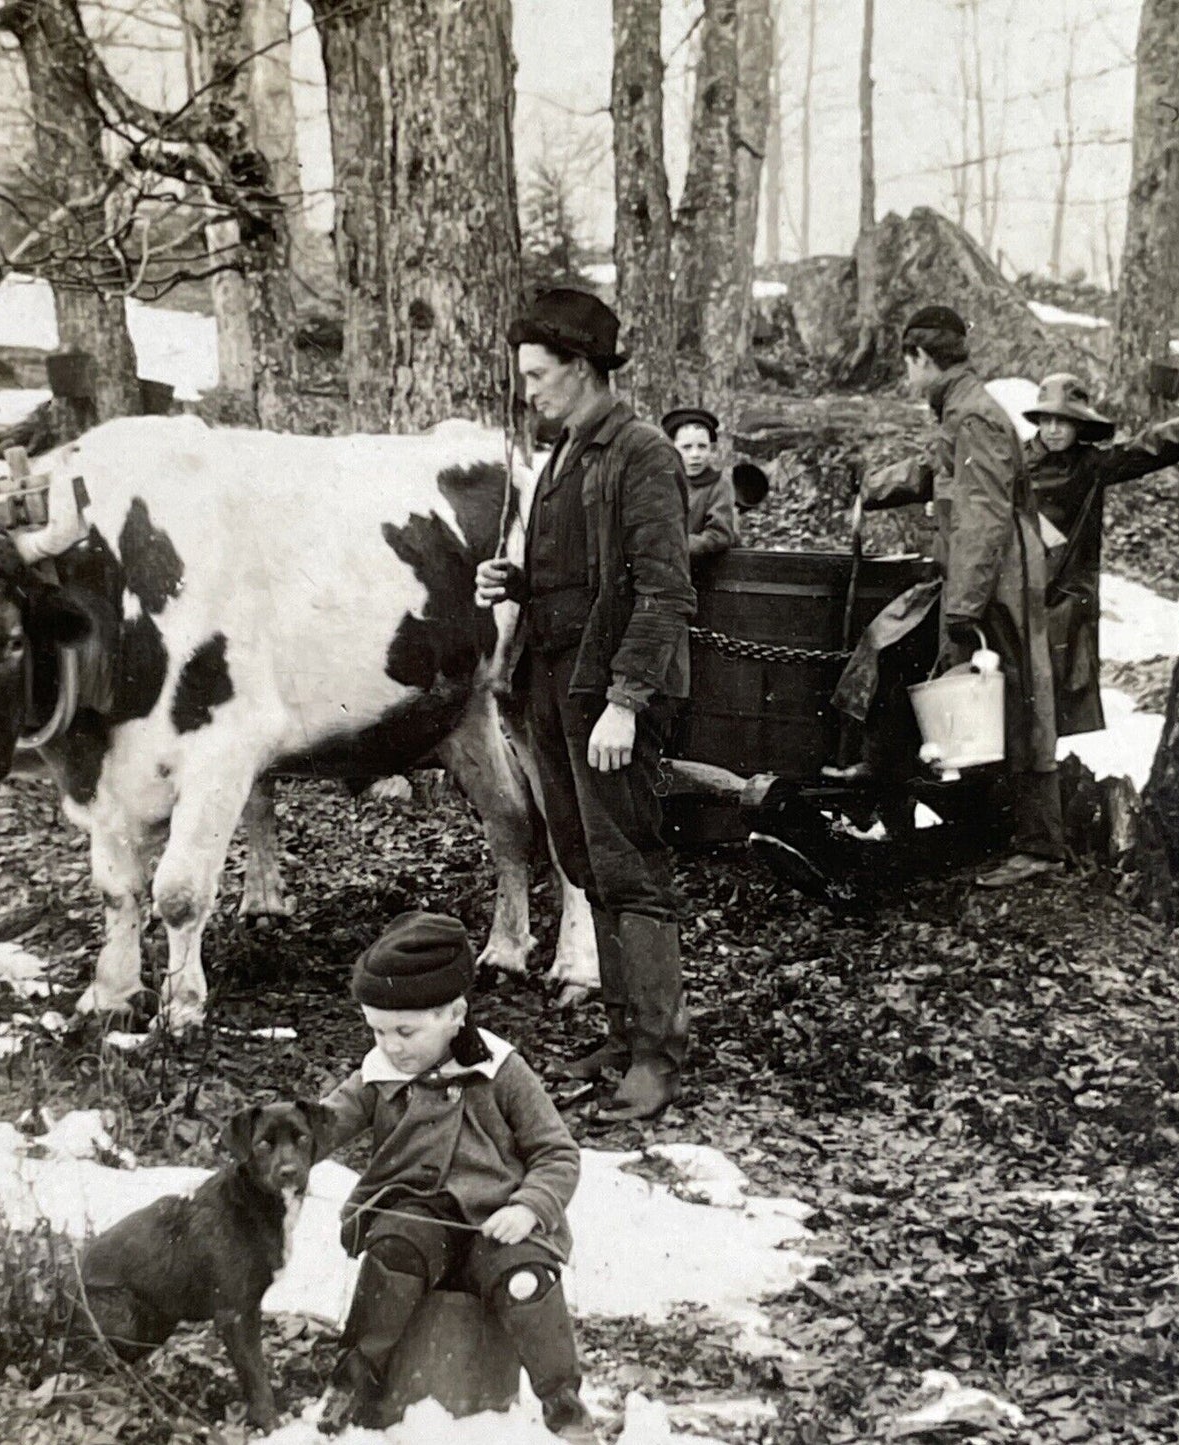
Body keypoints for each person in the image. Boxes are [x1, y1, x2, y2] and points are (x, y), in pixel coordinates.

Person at [476, 287, 696, 1122]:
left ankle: (657, 1053)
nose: (528, 390)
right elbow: (582, 577)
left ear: (582, 368)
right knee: (581, 858)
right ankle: (621, 1024)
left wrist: (627, 702)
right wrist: (517, 583)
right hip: (554, 686)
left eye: (539, 375)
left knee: (630, 863)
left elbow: (663, 592)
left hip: (606, 698)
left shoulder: (641, 454)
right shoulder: (566, 454)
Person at [310, 911, 595, 1442]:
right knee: (393, 1249)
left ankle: (563, 1402)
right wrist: (278, 1150)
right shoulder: (380, 1073)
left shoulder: (501, 1071)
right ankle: (354, 1382)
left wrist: (529, 1206)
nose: (391, 1045)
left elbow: (557, 1152)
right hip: (417, 1217)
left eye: (406, 1031)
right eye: (377, 1030)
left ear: (456, 1014)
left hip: (499, 1224)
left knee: (528, 1281)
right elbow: (322, 1126)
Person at [825, 304, 1064, 889]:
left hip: (993, 585)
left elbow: (982, 518)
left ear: (921, 359)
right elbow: (933, 470)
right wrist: (872, 488)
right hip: (973, 579)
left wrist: (964, 607)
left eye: (907, 365)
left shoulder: (974, 416)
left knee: (1016, 707)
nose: (907, 379)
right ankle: (882, 775)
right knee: (900, 650)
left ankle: (1039, 845)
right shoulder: (960, 410)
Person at [1023, 372, 1179, 737]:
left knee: (1053, 700)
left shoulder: (1089, 466)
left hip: (1063, 602)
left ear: (1079, 425)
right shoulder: (1015, 466)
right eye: (1046, 420)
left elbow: (1147, 448)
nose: (1052, 430)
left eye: (1063, 422)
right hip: (1017, 596)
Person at [660, 406, 740, 560]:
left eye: (702, 447)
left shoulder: (719, 484)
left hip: (706, 565)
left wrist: (678, 545)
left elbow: (720, 535)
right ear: (672, 450)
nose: (695, 455)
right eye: (686, 447)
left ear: (711, 449)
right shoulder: (664, 481)